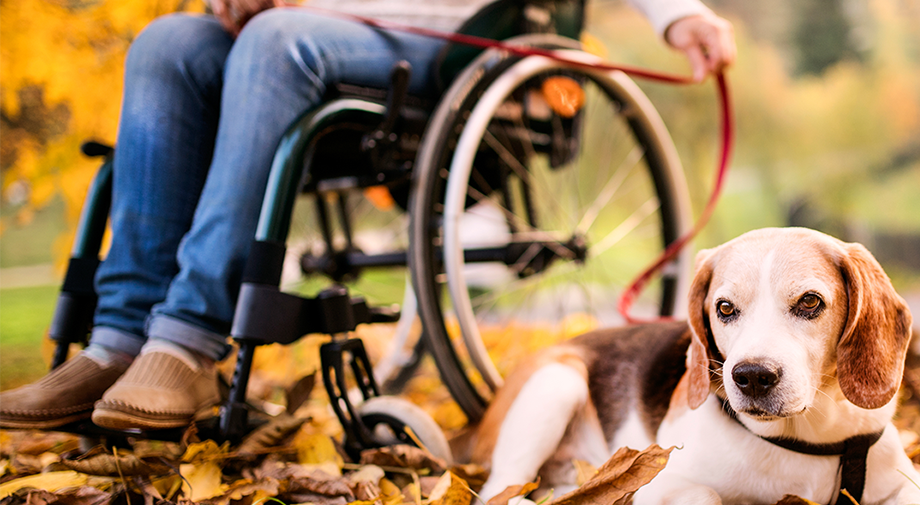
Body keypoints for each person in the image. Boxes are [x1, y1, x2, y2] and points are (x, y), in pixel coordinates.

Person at [0, 0, 735, 431]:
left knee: (274, 43)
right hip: (298, 26)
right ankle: (119, 341)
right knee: (168, 42)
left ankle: (188, 340)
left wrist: (677, 15)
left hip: (452, 38)